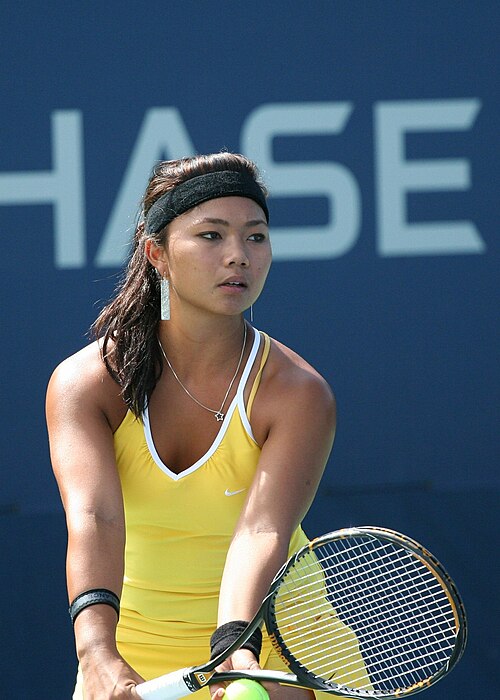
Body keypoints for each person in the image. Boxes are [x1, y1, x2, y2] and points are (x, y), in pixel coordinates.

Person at [46, 152, 347, 700]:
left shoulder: (298, 393)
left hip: (281, 649)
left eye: (256, 237)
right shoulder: (85, 384)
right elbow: (95, 518)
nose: (239, 256)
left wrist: (235, 649)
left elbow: (262, 532)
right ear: (156, 253)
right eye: (211, 236)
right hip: (130, 652)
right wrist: (96, 655)